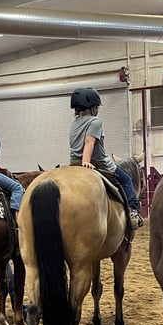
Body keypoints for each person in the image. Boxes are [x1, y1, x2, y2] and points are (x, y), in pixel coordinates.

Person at [68, 88, 142, 229]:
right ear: (93, 107)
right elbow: (89, 142)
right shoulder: (95, 121)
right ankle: (133, 212)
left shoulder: (73, 124)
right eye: (97, 107)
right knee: (126, 180)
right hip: (99, 163)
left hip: (74, 164)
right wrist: (86, 162)